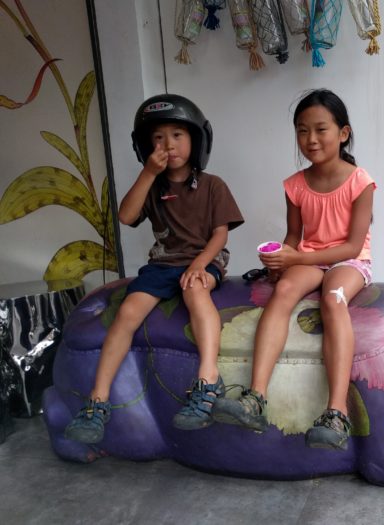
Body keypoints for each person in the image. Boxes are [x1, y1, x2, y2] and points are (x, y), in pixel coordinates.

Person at [64, 94, 244, 443]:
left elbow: (220, 234)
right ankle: (96, 401)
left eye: (177, 135)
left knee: (195, 291)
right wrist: (148, 172)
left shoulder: (212, 185)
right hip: (162, 265)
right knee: (128, 312)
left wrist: (199, 264)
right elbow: (126, 216)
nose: (168, 144)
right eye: (159, 137)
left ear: (196, 139)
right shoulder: (153, 185)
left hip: (204, 260)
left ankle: (208, 378)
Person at [212, 89, 376, 450]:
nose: (311, 139)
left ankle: (336, 412)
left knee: (333, 299)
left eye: (320, 129)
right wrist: (278, 260)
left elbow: (351, 245)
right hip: (309, 256)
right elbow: (294, 237)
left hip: (349, 261)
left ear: (343, 133)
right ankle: (254, 398)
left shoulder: (360, 181)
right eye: (302, 131)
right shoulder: (295, 185)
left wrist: (295, 258)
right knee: (283, 292)